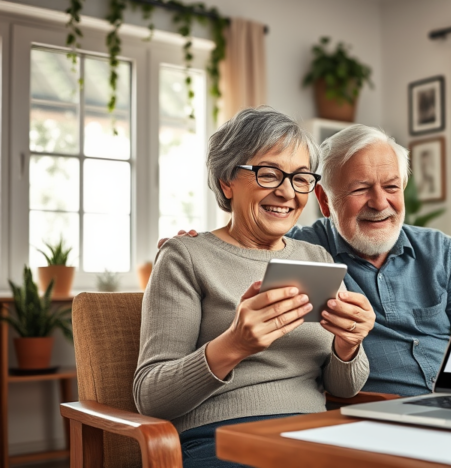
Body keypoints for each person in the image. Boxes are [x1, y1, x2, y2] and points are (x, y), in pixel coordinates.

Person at [135, 108, 374, 468]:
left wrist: (348, 345)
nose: (286, 192)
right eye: (269, 174)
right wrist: (235, 345)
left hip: (314, 436)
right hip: (222, 440)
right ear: (227, 181)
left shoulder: (317, 257)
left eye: (300, 178)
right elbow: (151, 397)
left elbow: (344, 389)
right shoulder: (185, 257)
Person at [162, 125, 451, 397]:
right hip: (381, 412)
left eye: (391, 187)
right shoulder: (306, 251)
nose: (379, 203)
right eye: (360, 189)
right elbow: (248, 242)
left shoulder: (440, 250)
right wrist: (198, 245)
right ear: (324, 200)